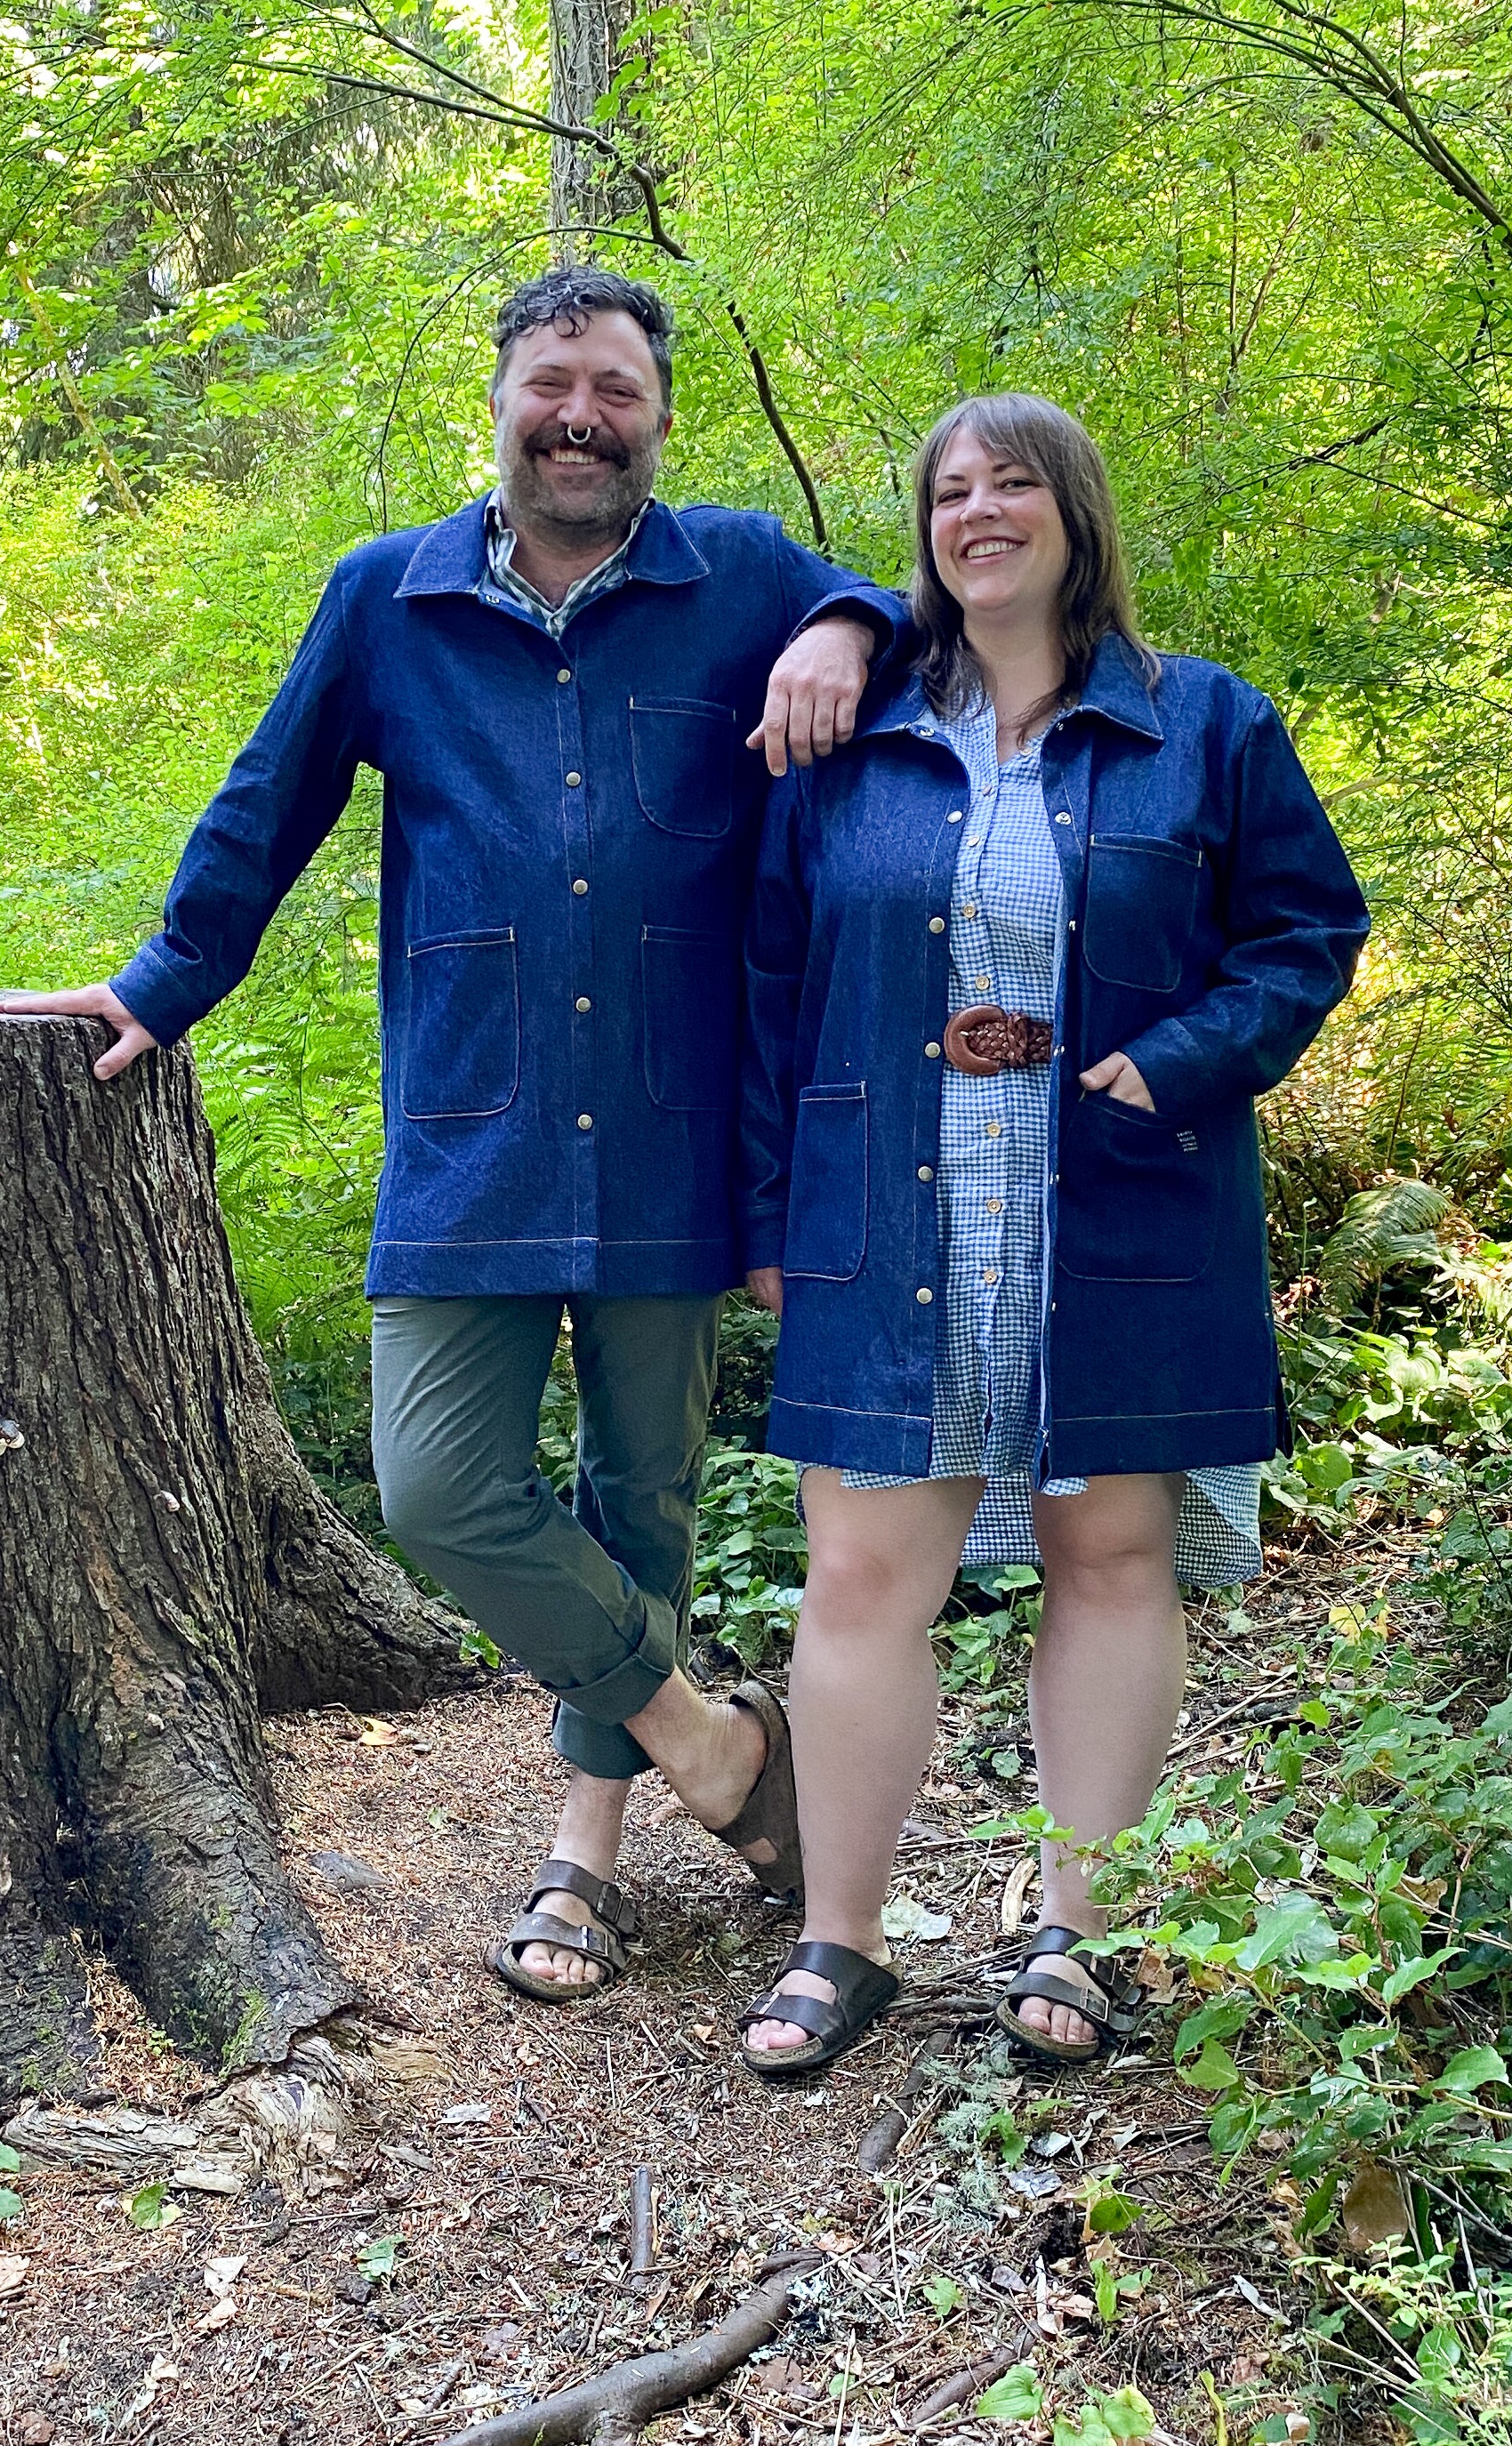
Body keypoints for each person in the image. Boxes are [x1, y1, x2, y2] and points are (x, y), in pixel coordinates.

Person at [0, 268, 913, 2003]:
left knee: (636, 1500)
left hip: (667, 1136)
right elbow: (262, 810)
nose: (581, 413)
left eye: (616, 389)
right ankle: (715, 1746)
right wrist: (155, 986)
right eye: (551, 382)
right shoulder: (385, 601)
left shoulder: (741, 584)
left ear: (655, 416)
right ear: (497, 401)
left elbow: (916, 623)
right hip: (469, 1144)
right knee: (439, 1484)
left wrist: (847, 624)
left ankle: (579, 1864)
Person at [734, 392, 1368, 2074]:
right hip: (887, 1207)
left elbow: (1308, 932)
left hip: (1122, 1196)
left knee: (1110, 1555)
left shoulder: (1207, 727)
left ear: (1076, 514)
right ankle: (841, 1942)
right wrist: (761, 1209)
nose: (981, 509)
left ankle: (1080, 1932)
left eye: (1016, 481)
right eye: (951, 488)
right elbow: (767, 986)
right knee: (865, 1570)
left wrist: (1175, 1064)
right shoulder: (853, 737)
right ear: (926, 535)